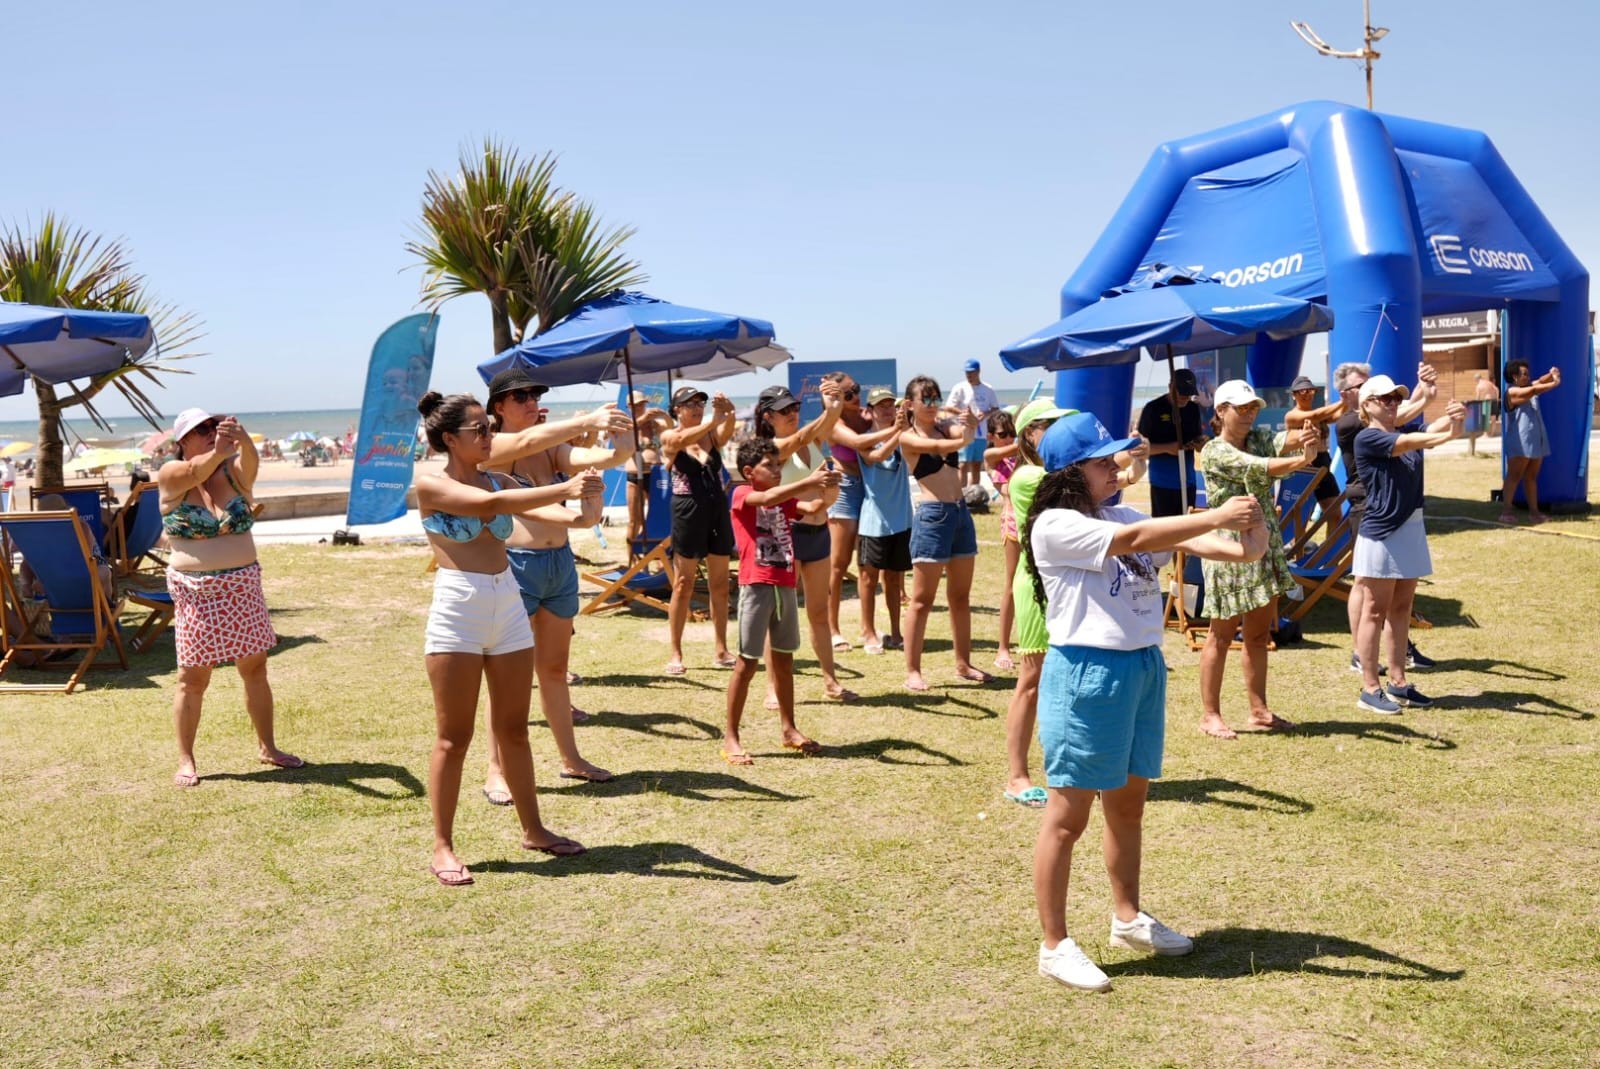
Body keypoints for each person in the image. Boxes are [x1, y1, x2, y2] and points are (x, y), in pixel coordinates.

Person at [1025, 412, 1267, 991]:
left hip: (1140, 667)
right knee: (1067, 816)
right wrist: (1215, 514)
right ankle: (1054, 946)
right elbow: (1136, 541)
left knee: (1129, 805)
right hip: (1087, 672)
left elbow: (1201, 542)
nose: (1116, 468)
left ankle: (1128, 919)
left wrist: (1250, 534)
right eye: (1103, 461)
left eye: (1114, 458)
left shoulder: (1117, 511)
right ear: (1069, 472)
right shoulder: (1055, 524)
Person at [414, 391, 595, 886]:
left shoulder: (501, 477)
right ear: (450, 438)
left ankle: (534, 830)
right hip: (459, 608)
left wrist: (587, 496)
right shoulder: (431, 484)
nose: (491, 437)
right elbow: (494, 505)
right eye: (481, 431)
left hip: (506, 601)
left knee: (514, 729)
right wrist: (567, 487)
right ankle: (443, 846)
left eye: (490, 428)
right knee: (455, 738)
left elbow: (568, 518)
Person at [477, 369, 629, 802]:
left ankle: (571, 759)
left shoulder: (549, 446)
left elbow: (600, 460)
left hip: (559, 564)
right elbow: (524, 444)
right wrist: (588, 423)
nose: (530, 400)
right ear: (498, 408)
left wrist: (621, 435)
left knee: (555, 671)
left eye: (535, 393)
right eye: (519, 395)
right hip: (515, 565)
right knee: (510, 677)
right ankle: (495, 770)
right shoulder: (495, 446)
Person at [157, 409, 299, 788]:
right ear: (182, 442)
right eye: (200, 430)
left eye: (213, 427)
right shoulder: (171, 473)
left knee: (255, 669)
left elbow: (251, 465)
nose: (208, 433)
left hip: (242, 587)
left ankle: (268, 747)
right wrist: (219, 451)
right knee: (192, 678)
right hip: (196, 591)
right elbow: (194, 473)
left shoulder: (233, 474)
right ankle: (186, 758)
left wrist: (244, 440)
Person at [1196, 380, 1319, 739]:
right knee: (1220, 636)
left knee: (1258, 633)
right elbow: (1264, 466)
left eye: (1253, 408)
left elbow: (1286, 439)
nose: (1250, 414)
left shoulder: (1259, 437)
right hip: (1228, 550)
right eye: (1242, 408)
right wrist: (1303, 459)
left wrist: (1309, 434)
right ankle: (1210, 715)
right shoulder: (1215, 451)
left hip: (1262, 544)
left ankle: (1259, 711)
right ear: (1221, 412)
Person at [1351, 376, 1466, 714]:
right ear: (1367, 404)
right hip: (1382, 533)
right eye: (1385, 398)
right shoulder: (1367, 437)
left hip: (1411, 527)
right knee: (1374, 611)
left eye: (1396, 399)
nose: (1392, 403)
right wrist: (1448, 432)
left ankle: (1398, 682)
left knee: (1402, 610)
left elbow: (1430, 429)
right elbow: (1418, 439)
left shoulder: (1402, 431)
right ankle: (1370, 687)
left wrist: (1456, 414)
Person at [722, 438, 839, 763]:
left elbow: (815, 508)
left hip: (785, 586)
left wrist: (830, 487)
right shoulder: (742, 494)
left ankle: (789, 729)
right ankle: (731, 736)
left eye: (779, 465)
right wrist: (808, 481)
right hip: (756, 587)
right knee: (747, 664)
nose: (777, 471)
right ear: (749, 471)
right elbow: (770, 496)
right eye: (770, 466)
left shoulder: (783, 499)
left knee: (785, 661)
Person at [1334, 362, 1439, 675]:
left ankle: (1397, 660)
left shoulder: (1381, 417)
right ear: (1350, 395)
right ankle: (1361, 655)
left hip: (1391, 508)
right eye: (1362, 386)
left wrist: (1424, 391)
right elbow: (1403, 416)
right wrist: (1425, 398)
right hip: (1366, 508)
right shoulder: (1351, 424)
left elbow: (1400, 414)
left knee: (1393, 599)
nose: (1391, 400)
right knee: (1367, 590)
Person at [752, 382, 851, 702]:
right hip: (786, 535)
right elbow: (804, 436)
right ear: (769, 417)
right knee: (778, 616)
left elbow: (824, 425)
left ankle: (830, 681)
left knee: (819, 614)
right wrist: (828, 411)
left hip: (818, 532)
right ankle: (771, 687)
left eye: (795, 408)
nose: (793, 413)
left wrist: (833, 403)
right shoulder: (769, 450)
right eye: (785, 411)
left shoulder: (812, 443)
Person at [898, 375, 990, 691]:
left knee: (961, 597)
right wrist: (964, 436)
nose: (934, 404)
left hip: (961, 513)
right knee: (922, 600)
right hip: (933, 516)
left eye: (937, 398)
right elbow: (939, 446)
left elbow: (962, 434)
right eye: (927, 398)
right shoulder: (908, 437)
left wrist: (970, 422)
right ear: (910, 404)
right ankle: (913, 669)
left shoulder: (943, 427)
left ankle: (963, 664)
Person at [1000, 398, 1070, 808]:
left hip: (1065, 584)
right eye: (1049, 425)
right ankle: (1016, 775)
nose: (1058, 432)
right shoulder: (1027, 475)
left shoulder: (1057, 470)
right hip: (1038, 586)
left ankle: (1068, 769)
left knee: (1064, 681)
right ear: (1029, 433)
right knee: (1030, 682)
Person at [661, 386, 739, 675]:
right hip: (688, 511)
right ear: (676, 410)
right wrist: (715, 419)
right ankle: (676, 652)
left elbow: (726, 433)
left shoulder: (710, 435)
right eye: (689, 403)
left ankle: (721, 648)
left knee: (720, 584)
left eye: (700, 403)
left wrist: (728, 413)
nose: (696, 407)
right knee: (684, 583)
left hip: (716, 510)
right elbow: (681, 439)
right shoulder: (670, 436)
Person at [823, 371, 900, 651]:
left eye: (856, 390)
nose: (855, 396)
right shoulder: (833, 423)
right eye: (847, 394)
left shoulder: (868, 418)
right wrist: (896, 429)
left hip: (871, 489)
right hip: (845, 490)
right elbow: (857, 444)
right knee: (838, 564)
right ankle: (832, 629)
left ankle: (867, 628)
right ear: (835, 399)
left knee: (867, 563)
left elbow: (891, 413)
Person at [855, 387, 913, 654]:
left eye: (891, 404)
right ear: (870, 410)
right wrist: (897, 432)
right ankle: (868, 632)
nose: (887, 410)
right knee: (868, 579)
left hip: (901, 518)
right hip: (873, 520)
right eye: (881, 406)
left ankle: (896, 631)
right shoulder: (864, 439)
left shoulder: (907, 435)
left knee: (894, 579)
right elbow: (875, 456)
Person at [1135, 368, 1207, 517]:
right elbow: (1138, 447)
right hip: (1163, 483)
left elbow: (1198, 439)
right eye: (1181, 392)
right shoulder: (1153, 409)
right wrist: (1168, 448)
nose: (1185, 398)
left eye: (1189, 394)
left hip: (1189, 482)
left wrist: (1201, 444)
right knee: (1165, 530)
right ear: (1170, 387)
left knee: (1189, 530)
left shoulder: (1193, 409)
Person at [1499, 359, 1561, 525]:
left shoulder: (1527, 387)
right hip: (1520, 441)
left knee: (1531, 476)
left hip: (1536, 439)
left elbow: (1539, 382)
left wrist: (1551, 373)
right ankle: (1506, 511)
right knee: (1514, 475)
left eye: (1528, 373)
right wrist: (1554, 383)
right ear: (1514, 376)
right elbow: (1535, 389)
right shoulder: (1512, 392)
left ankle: (1534, 513)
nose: (1528, 376)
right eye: (1524, 374)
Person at [985, 409, 1021, 671]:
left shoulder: (1022, 454)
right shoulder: (991, 456)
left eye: (1012, 433)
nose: (1008, 439)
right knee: (1011, 584)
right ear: (991, 437)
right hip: (1012, 523)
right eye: (1002, 434)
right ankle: (1003, 647)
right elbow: (1006, 489)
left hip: (1033, 521)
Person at [1283, 374, 1346, 511]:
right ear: (1294, 395)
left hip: (1323, 464)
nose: (1307, 394)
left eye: (1310, 390)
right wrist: (1342, 402)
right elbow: (1315, 416)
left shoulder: (1321, 415)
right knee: (1299, 515)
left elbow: (1338, 415)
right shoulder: (1292, 416)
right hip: (1303, 467)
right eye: (1302, 391)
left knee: (1334, 513)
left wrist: (1349, 400)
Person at [946, 359, 1002, 491]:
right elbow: (948, 407)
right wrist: (965, 414)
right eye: (967, 373)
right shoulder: (959, 388)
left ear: (978, 372)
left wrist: (985, 413)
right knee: (962, 464)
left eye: (972, 373)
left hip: (981, 433)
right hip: (964, 432)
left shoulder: (988, 389)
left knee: (976, 465)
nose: (969, 376)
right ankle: (961, 495)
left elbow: (995, 408)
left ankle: (974, 494)